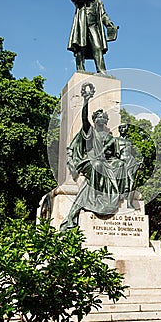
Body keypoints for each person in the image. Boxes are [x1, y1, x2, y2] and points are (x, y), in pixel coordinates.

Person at [60, 83, 126, 231]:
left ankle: (118, 197)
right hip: (90, 162)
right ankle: (96, 197)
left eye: (104, 117)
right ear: (95, 120)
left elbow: (115, 155)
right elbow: (84, 120)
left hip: (106, 163)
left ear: (107, 120)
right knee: (97, 165)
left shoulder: (110, 137)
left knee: (120, 165)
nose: (101, 118)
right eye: (98, 117)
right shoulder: (90, 132)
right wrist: (86, 100)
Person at [67, 0, 118, 74]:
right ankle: (80, 69)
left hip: (94, 26)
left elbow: (103, 15)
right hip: (82, 24)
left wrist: (109, 24)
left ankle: (101, 70)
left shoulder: (98, 1)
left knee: (98, 47)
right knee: (80, 47)